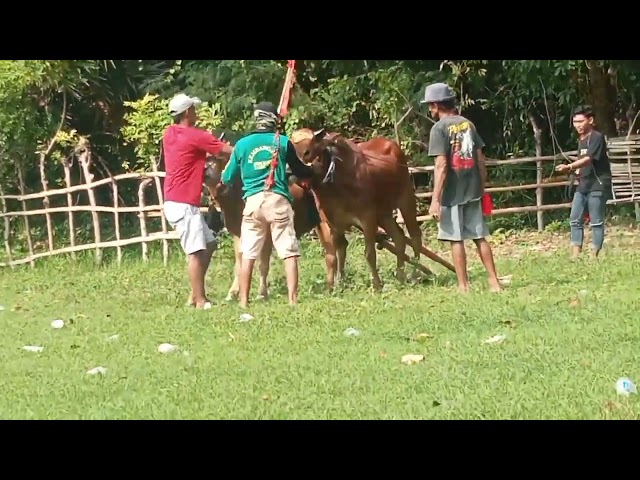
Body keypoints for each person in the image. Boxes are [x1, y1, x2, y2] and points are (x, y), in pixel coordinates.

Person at [218, 101, 315, 308]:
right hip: (278, 200)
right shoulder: (282, 142)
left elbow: (227, 177)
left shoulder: (243, 144)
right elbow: (299, 170)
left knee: (248, 253)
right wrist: (310, 171)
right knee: (288, 252)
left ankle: (244, 301)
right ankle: (292, 300)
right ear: (274, 119)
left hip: (252, 202)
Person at [422, 82, 501, 293]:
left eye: (430, 105)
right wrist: (481, 185)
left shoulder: (439, 128)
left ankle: (463, 286)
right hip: (472, 189)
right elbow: (480, 159)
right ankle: (494, 282)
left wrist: (435, 199)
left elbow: (441, 165)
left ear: (437, 105)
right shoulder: (468, 124)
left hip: (452, 192)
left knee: (455, 238)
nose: (430, 110)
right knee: (479, 236)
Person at [162, 93, 233, 309]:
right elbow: (228, 150)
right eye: (193, 108)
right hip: (184, 204)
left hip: (175, 200)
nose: (196, 112)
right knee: (195, 252)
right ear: (186, 113)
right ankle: (200, 300)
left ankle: (195, 294)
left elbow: (191, 159)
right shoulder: (195, 136)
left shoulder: (170, 134)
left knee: (209, 244)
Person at [555, 105, 612, 259]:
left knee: (596, 221)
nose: (578, 125)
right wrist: (577, 170)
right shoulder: (581, 140)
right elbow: (583, 161)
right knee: (575, 218)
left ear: (591, 120)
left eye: (581, 121)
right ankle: (575, 254)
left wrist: (569, 166)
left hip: (598, 183)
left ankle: (594, 255)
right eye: (575, 122)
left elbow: (588, 159)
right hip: (584, 183)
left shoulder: (597, 137)